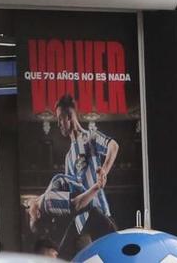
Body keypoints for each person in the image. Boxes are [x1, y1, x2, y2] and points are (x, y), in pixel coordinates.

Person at [23, 93, 118, 252]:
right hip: (81, 223)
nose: (58, 124)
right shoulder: (68, 157)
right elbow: (69, 195)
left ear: (69, 117)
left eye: (60, 118)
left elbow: (113, 146)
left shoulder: (89, 138)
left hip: (98, 214)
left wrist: (104, 171)